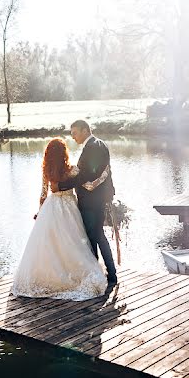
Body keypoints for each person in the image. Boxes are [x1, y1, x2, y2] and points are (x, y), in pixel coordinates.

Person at [11, 137, 111, 300]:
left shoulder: (46, 171)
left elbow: (43, 195)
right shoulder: (72, 169)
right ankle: (74, 272)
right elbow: (86, 185)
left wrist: (40, 211)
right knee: (73, 242)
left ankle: (52, 274)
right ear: (64, 153)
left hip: (51, 208)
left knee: (51, 244)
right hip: (70, 208)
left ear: (48, 154)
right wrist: (104, 174)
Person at [56, 120, 118, 284]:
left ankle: (111, 275)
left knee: (97, 236)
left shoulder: (94, 146)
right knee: (93, 236)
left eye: (75, 132)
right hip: (93, 200)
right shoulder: (95, 145)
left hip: (93, 201)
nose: (73, 136)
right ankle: (98, 273)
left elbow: (87, 176)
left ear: (85, 130)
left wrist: (61, 185)